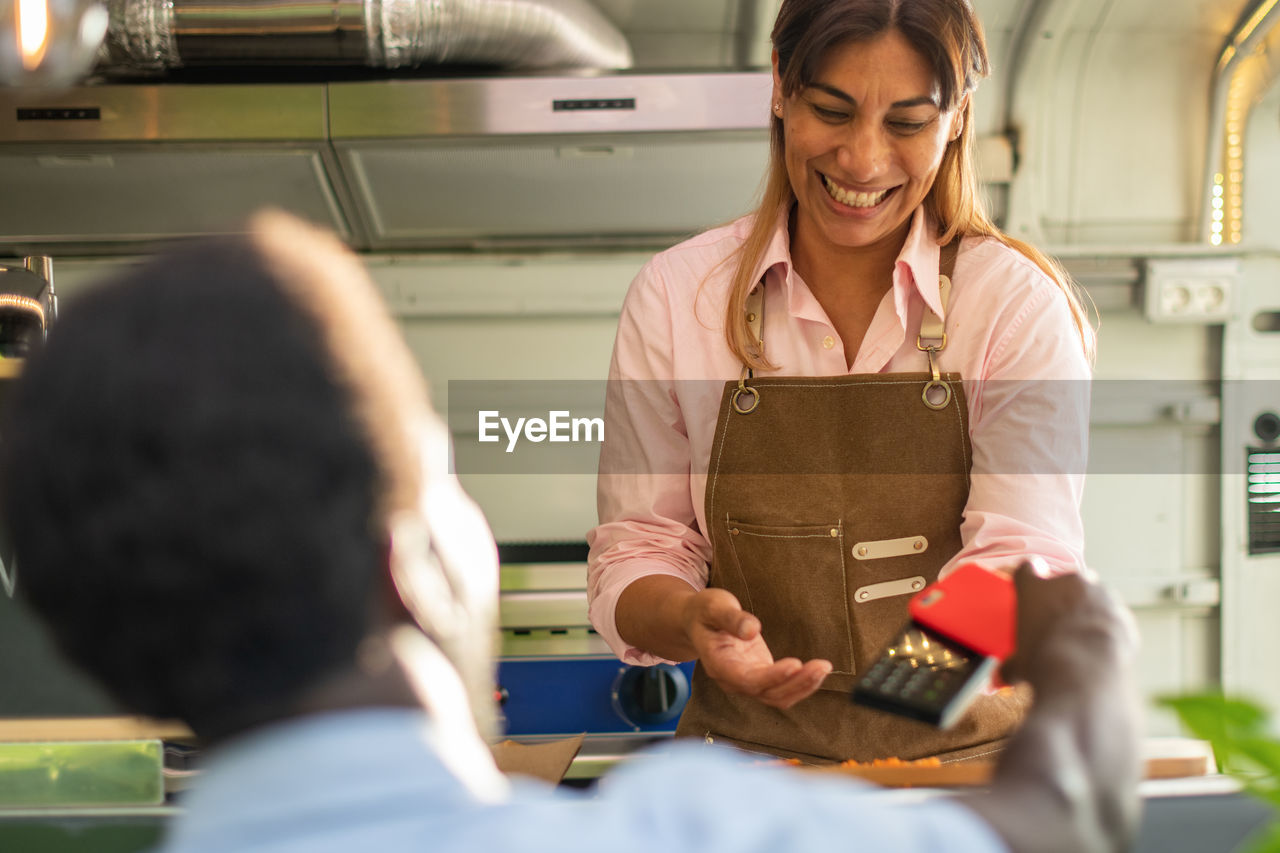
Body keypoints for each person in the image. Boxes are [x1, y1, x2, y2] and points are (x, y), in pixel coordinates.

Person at [1, 212, 1137, 852]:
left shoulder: (1009, 301)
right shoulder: (680, 835)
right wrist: (1082, 649)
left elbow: (1007, 544)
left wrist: (883, 705)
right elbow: (1059, 819)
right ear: (416, 563)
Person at [587, 0, 1094, 763]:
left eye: (907, 122)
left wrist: (892, 712)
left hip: (973, 777)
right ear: (780, 90)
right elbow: (637, 545)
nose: (862, 159)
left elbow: (1026, 554)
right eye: (832, 110)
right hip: (749, 773)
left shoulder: (1013, 306)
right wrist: (689, 617)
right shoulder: (678, 296)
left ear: (957, 119)